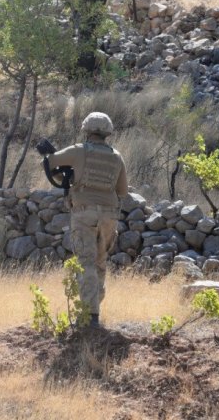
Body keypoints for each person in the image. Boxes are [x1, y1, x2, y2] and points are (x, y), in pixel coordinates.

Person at [45, 112, 128, 327]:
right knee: (100, 262)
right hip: (109, 215)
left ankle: (90, 317)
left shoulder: (78, 151)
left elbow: (50, 162)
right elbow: (122, 191)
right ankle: (94, 309)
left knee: (86, 263)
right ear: (108, 132)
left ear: (86, 129)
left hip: (84, 214)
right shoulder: (117, 156)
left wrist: (68, 178)